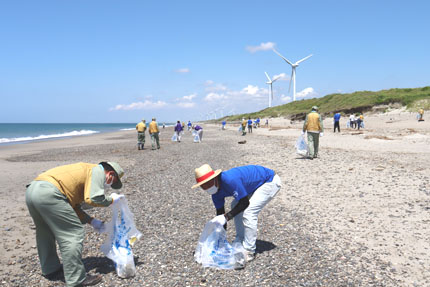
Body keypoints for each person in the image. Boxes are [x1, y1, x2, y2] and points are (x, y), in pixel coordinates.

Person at [25, 162, 125, 286]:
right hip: (50, 193)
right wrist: (111, 200)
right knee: (72, 233)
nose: (108, 185)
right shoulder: (97, 171)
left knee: (45, 232)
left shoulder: (83, 170)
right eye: (112, 181)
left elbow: (71, 205)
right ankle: (76, 279)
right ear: (110, 173)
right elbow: (93, 198)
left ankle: (50, 269)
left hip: (32, 190)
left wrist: (92, 221)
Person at [192, 164, 282, 262]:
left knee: (249, 212)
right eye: (203, 186)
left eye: (208, 183)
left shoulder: (230, 180)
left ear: (215, 178)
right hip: (253, 186)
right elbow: (221, 215)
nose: (207, 187)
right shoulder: (215, 193)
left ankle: (249, 250)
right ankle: (240, 239)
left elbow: (244, 203)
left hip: (269, 181)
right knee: (235, 206)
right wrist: (219, 240)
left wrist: (227, 217)